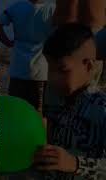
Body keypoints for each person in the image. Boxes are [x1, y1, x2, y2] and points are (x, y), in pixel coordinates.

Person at [34, 23, 106, 180]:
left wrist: (75, 164)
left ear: (88, 66)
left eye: (62, 70)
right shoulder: (55, 97)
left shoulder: (101, 109)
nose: (52, 78)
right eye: (50, 69)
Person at [0, 0, 55, 112]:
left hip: (17, 69)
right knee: (39, 112)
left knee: (16, 110)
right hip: (42, 72)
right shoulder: (52, 9)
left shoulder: (17, 7)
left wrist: (8, 42)